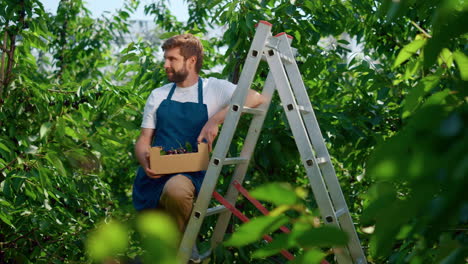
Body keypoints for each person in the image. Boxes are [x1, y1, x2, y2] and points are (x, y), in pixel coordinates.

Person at [132, 34, 264, 262]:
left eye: (172, 59)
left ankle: (180, 254)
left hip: (189, 172)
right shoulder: (159, 95)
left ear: (191, 61)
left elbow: (255, 97)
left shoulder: (213, 88)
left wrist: (216, 119)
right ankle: (184, 253)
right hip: (155, 174)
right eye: (165, 58)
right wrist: (145, 160)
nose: (165, 65)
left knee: (176, 191)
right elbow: (144, 139)